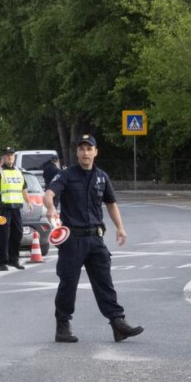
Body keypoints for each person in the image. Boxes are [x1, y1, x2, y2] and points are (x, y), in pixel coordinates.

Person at [44, 135, 143, 344]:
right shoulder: (66, 175)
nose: (85, 153)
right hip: (72, 240)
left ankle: (118, 324)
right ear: (77, 152)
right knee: (68, 283)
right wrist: (51, 208)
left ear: (96, 152)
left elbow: (111, 203)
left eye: (89, 149)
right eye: (82, 149)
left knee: (105, 282)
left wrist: (120, 228)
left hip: (96, 239)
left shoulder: (101, 177)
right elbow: (49, 194)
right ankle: (62, 326)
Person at [0, 146, 26, 271]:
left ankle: (13, 260)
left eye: (12, 155)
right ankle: (2, 263)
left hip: (16, 208)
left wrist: (29, 202)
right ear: (3, 158)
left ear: (14, 157)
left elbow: (23, 187)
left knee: (18, 233)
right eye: (7, 155)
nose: (10, 157)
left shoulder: (18, 171)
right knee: (3, 235)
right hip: (3, 208)